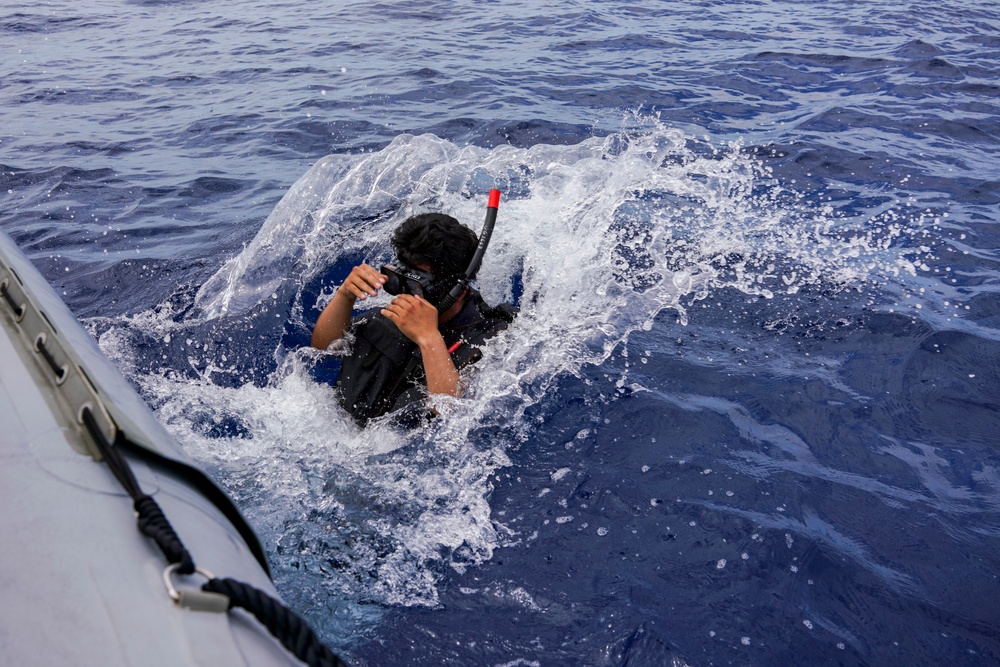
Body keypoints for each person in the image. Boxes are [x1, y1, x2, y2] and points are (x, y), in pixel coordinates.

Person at [311, 213, 515, 424]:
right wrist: (344, 296)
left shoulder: (492, 341)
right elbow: (321, 352)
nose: (406, 294)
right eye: (401, 280)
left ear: (458, 288)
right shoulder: (382, 320)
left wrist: (428, 338)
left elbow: (456, 418)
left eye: (417, 285)